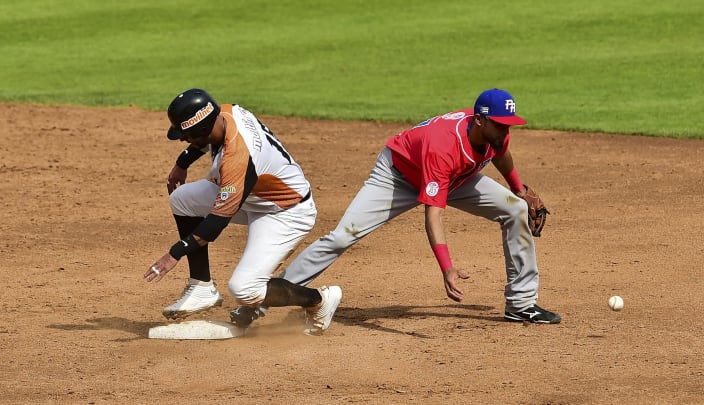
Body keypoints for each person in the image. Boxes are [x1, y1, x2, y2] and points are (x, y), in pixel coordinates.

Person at [230, 88, 560, 327]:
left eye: (509, 124)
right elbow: (433, 213)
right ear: (478, 121)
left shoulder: (495, 134)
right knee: (343, 236)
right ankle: (268, 297)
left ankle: (521, 304)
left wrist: (520, 190)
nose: (506, 130)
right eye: (500, 124)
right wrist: (447, 268)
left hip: (456, 178)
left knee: (515, 210)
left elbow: (500, 153)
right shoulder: (444, 145)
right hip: (397, 175)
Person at [143, 88, 342, 335]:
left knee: (244, 289)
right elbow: (205, 140)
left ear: (201, 129)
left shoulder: (238, 157)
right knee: (182, 199)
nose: (183, 139)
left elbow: (216, 223)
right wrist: (181, 164)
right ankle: (201, 285)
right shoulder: (225, 112)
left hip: (284, 212)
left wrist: (175, 253)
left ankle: (319, 300)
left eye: (186, 135)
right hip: (254, 196)